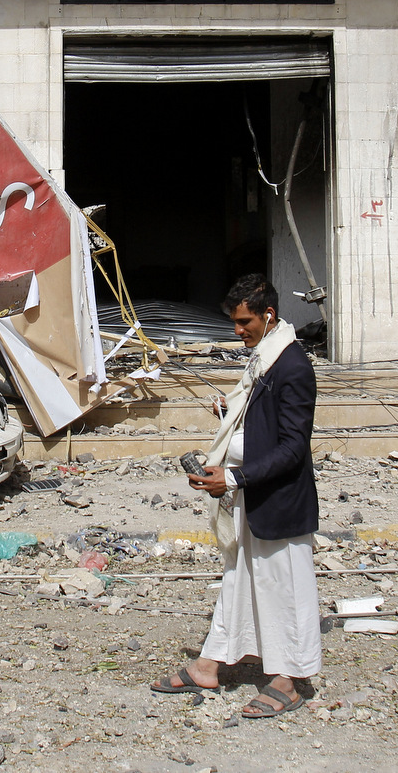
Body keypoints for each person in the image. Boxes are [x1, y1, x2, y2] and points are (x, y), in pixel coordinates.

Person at [150, 273, 321, 719]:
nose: (237, 330)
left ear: (269, 315)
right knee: (241, 582)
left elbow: (293, 448)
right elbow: (264, 419)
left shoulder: (293, 366)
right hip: (254, 500)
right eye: (234, 321)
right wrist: (233, 415)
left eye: (244, 321)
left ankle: (290, 679)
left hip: (278, 500)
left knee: (285, 589)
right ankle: (210, 664)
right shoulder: (265, 359)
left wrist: (236, 480)